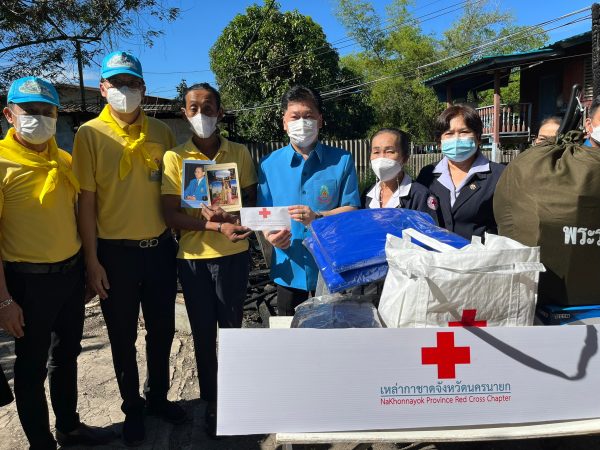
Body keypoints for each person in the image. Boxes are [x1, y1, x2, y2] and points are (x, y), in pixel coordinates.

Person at [72, 51, 185, 446]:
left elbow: (176, 190)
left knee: (162, 330)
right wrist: (91, 260)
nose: (125, 89)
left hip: (160, 250)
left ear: (143, 88)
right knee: (122, 336)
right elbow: (86, 202)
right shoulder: (89, 135)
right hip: (114, 254)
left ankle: (158, 397)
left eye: (131, 83)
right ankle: (132, 407)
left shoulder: (162, 132)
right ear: (102, 88)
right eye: (117, 83)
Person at [0, 77, 113, 448]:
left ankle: (69, 426)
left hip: (69, 275)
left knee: (66, 355)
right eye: (30, 110)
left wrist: (87, 269)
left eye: (47, 111)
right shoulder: (2, 164)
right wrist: (4, 300)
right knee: (30, 368)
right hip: (27, 283)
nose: (40, 118)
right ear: (9, 115)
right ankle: (41, 442)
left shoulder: (64, 161)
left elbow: (77, 219)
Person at [161, 82, 256, 438]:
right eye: (194, 108)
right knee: (202, 334)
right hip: (194, 260)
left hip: (234, 255)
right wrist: (213, 224)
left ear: (220, 111)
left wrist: (231, 215)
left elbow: (250, 202)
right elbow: (170, 214)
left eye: (208, 107)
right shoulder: (175, 158)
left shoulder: (239, 153)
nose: (202, 114)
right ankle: (213, 402)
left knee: (232, 331)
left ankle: (236, 396)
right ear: (184, 113)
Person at [257, 85, 361, 315]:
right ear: (284, 122)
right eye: (295, 117)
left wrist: (318, 217)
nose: (302, 122)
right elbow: (263, 212)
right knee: (290, 331)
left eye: (309, 116)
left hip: (331, 268)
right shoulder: (268, 165)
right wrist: (269, 236)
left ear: (320, 120)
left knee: (331, 330)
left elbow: (352, 208)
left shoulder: (341, 160)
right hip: (289, 267)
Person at [416, 104, 504, 240]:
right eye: (449, 133)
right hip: (435, 252)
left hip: (481, 252)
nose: (456, 139)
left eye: (464, 132)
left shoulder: (499, 175)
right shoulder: (427, 174)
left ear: (478, 137)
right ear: (439, 142)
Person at [362, 127, 438, 221]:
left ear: (405, 158)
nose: (381, 158)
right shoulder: (367, 195)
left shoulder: (420, 195)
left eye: (390, 151)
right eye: (376, 152)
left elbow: (429, 228)